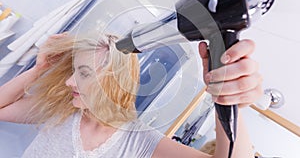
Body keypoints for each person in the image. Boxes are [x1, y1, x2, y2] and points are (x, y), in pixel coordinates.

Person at [0, 32, 262, 158]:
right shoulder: (63, 111)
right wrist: (40, 69)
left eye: (84, 73)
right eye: (73, 71)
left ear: (115, 82)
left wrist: (229, 100)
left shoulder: (140, 142)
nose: (69, 81)